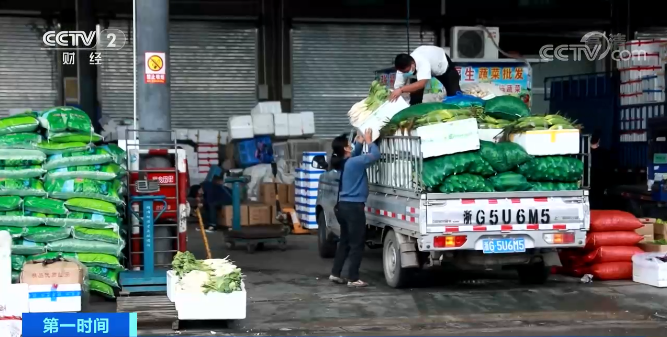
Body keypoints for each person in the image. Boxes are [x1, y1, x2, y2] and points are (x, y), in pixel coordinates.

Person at [328, 128, 380, 288]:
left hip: (343, 207)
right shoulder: (353, 163)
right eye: (349, 144)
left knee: (345, 241)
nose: (351, 144)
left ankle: (335, 273)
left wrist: (358, 142)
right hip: (354, 208)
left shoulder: (345, 162)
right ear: (345, 149)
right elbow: (375, 156)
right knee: (357, 243)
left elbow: (355, 155)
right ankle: (353, 278)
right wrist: (370, 141)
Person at [389, 46, 461, 104]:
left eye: (407, 71)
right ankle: (415, 117)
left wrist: (401, 90)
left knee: (454, 95)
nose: (406, 73)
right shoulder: (401, 70)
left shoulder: (422, 61)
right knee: (415, 99)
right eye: (403, 72)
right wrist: (395, 94)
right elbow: (397, 89)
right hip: (423, 67)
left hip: (442, 64)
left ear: (412, 63)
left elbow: (421, 84)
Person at [589, 130, 611, 209]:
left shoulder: (585, 154)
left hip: (589, 183)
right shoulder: (604, 153)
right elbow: (608, 169)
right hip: (600, 183)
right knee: (599, 202)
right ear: (599, 140)